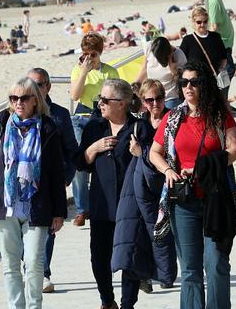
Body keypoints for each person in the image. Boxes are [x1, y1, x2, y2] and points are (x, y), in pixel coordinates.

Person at [148, 62, 236, 309]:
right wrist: (168, 170)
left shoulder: (220, 116)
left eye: (194, 82)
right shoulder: (173, 118)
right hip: (184, 200)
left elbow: (234, 150)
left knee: (217, 264)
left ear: (205, 85)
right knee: (190, 269)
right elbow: (154, 153)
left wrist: (203, 167)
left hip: (216, 198)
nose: (188, 87)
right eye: (184, 83)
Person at [0, 77, 67, 309]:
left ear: (35, 100)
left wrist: (59, 212)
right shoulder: (0, 126)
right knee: (10, 264)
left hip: (37, 206)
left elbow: (55, 172)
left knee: (33, 262)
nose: (18, 102)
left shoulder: (48, 128)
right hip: (5, 205)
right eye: (14, 98)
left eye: (23, 98)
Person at [75, 79, 152, 309]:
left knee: (129, 257)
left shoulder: (140, 128)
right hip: (101, 204)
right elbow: (80, 163)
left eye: (106, 100)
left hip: (130, 205)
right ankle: (107, 301)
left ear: (122, 103)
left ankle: (128, 304)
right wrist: (93, 149)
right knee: (99, 259)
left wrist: (140, 153)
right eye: (100, 99)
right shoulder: (93, 127)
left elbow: (153, 161)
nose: (100, 104)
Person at [25, 68, 78, 294]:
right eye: (30, 84)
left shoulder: (60, 115)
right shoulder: (19, 112)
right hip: (23, 185)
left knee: (47, 230)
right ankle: (30, 266)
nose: (33, 89)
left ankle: (42, 273)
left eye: (38, 84)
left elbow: (71, 150)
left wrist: (65, 178)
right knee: (23, 231)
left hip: (50, 185)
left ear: (48, 86)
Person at [70, 32, 121, 227]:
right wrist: (84, 71)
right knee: (80, 166)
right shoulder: (78, 70)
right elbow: (75, 96)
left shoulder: (109, 71)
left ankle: (104, 203)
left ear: (100, 53)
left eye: (93, 54)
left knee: (105, 161)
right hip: (82, 117)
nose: (89, 58)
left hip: (103, 117)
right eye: (86, 53)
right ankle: (82, 209)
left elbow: (116, 95)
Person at [134, 80, 178, 290]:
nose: (154, 104)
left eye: (158, 98)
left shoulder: (174, 119)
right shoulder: (139, 123)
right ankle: (147, 275)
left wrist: (141, 152)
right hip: (143, 183)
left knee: (164, 228)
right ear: (143, 102)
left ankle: (166, 275)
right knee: (145, 228)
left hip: (168, 180)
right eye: (149, 100)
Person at [137, 37, 187, 110]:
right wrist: (136, 85)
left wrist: (172, 68)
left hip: (170, 97)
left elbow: (182, 82)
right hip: (151, 95)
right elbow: (144, 69)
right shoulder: (149, 47)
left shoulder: (178, 55)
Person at [208, 0, 236, 95]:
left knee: (226, 73)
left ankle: (224, 102)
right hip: (222, 45)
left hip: (226, 44)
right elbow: (214, 26)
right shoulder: (214, 1)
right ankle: (222, 101)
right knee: (228, 71)